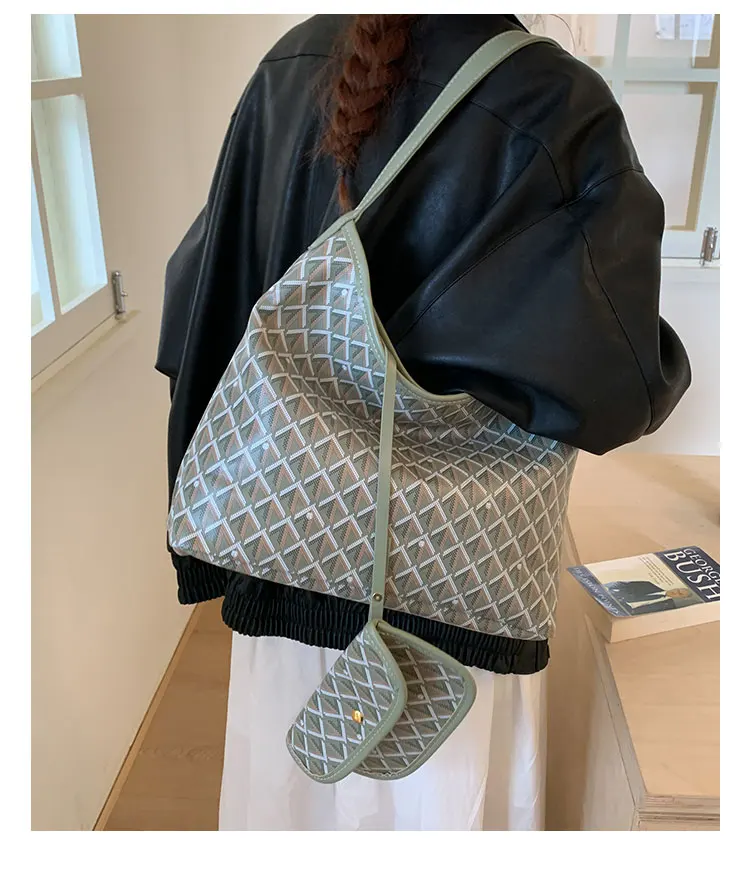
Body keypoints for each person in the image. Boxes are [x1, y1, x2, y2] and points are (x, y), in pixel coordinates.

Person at [156, 15, 691, 830]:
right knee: (443, 815)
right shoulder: (554, 100)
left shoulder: (290, 63)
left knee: (289, 813)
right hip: (455, 610)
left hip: (284, 551)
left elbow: (201, 305)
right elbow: (615, 389)